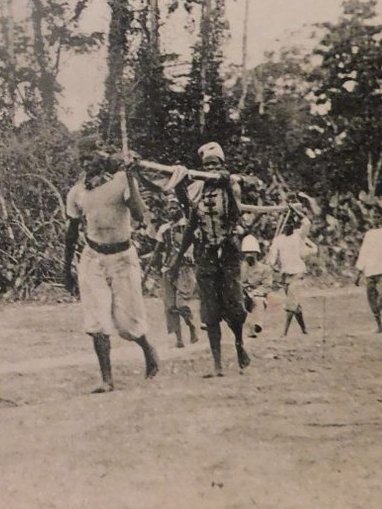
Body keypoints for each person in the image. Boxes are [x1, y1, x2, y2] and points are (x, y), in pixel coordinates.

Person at [62, 138, 158, 394]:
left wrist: (129, 177)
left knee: (128, 323)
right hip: (93, 258)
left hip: (123, 258)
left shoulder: (120, 182)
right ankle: (107, 379)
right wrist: (66, 268)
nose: (85, 163)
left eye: (89, 157)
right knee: (97, 322)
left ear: (101, 156)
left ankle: (148, 349)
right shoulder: (77, 193)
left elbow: (139, 214)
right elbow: (71, 232)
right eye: (81, 159)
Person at [171, 142, 249, 377]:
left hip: (228, 252)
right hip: (205, 254)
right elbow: (189, 223)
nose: (210, 169)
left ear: (222, 165)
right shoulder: (197, 190)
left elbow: (235, 204)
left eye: (214, 164)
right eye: (206, 165)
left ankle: (239, 344)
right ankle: (217, 364)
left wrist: (222, 176)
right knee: (210, 310)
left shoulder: (231, 185)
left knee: (235, 306)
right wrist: (179, 183)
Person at [149, 220, 197, 348]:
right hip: (167, 268)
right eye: (169, 207)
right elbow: (158, 249)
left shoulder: (187, 226)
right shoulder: (164, 228)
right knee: (170, 306)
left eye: (174, 207)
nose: (171, 210)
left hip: (183, 269)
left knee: (181, 304)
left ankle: (191, 325)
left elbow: (194, 245)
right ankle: (179, 338)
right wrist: (152, 263)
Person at [269, 212, 317, 336]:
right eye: (286, 224)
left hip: (297, 272)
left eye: (290, 223)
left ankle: (284, 332)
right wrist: (272, 265)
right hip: (285, 274)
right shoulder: (278, 240)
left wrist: (294, 210)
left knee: (291, 302)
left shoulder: (298, 236)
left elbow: (306, 222)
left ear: (294, 225)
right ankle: (304, 330)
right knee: (294, 303)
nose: (288, 226)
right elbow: (272, 257)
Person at [354, 210, 382, 333]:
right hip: (370, 271)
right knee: (372, 299)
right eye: (374, 217)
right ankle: (379, 326)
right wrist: (358, 273)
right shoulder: (369, 234)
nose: (375, 219)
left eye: (378, 217)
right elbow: (363, 253)